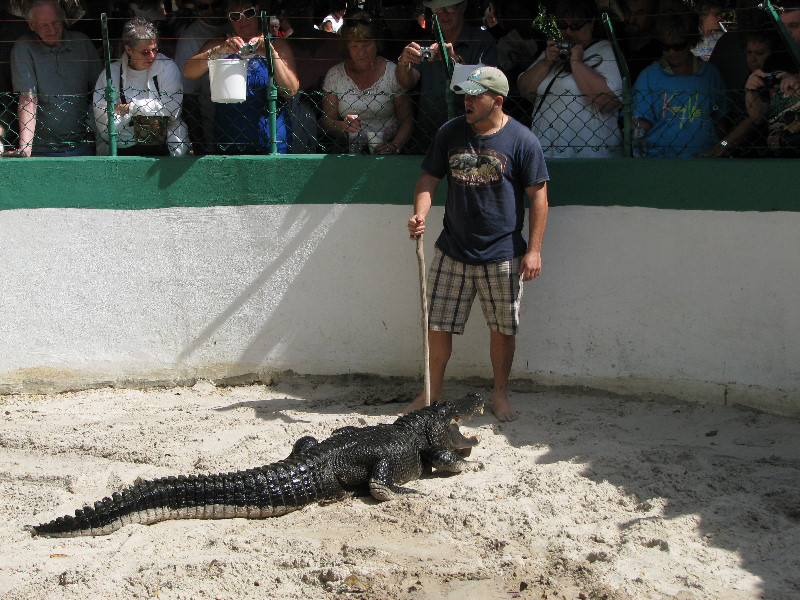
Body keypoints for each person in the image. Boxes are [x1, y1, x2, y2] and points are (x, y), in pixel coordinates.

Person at [404, 66, 549, 422]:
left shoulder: (523, 141)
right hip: (452, 249)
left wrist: (534, 250)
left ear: (496, 101)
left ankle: (500, 395)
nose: (466, 101)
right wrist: (420, 214)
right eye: (465, 95)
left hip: (502, 254)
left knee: (502, 328)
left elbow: (539, 198)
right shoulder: (450, 132)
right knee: (437, 324)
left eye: (474, 96)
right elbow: (428, 178)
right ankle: (431, 393)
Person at [183, 0, 300, 154]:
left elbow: (290, 90)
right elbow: (189, 72)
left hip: (273, 141)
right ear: (228, 18)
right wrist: (219, 50)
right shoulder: (220, 43)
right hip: (229, 140)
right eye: (235, 16)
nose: (242, 20)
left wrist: (271, 55)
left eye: (248, 13)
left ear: (257, 11)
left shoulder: (277, 45)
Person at [517, 0, 623, 158]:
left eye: (575, 25)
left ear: (592, 23)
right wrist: (546, 63)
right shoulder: (554, 52)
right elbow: (524, 89)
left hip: (590, 154)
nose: (568, 31)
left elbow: (609, 100)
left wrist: (577, 63)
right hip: (546, 152)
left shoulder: (605, 51)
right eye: (562, 25)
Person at [396, 0, 498, 154]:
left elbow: (489, 88)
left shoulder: (483, 41)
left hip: (472, 140)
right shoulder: (425, 42)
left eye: (449, 7)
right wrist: (404, 62)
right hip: (429, 141)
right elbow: (406, 83)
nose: (443, 14)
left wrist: (453, 59)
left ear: (463, 6)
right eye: (438, 8)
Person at [631, 1, 727, 157]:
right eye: (665, 46)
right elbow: (639, 125)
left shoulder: (710, 75)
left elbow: (720, 120)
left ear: (690, 41)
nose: (672, 52)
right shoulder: (649, 76)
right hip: (661, 163)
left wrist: (719, 148)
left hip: (704, 161)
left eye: (678, 46)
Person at [6, 0, 101, 157]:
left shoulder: (82, 43)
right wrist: (25, 149)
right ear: (31, 25)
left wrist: (92, 131)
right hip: (41, 150)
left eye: (55, 22)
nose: (52, 29)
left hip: (81, 145)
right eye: (44, 25)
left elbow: (102, 91)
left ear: (62, 19)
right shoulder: (23, 47)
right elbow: (28, 99)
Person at [93, 18, 189, 156]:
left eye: (155, 49)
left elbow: (172, 109)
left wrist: (130, 108)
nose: (152, 56)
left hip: (165, 146)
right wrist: (151, 109)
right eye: (145, 52)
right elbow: (105, 126)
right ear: (129, 49)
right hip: (124, 146)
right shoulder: (110, 75)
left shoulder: (167, 67)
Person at [320, 11, 413, 154]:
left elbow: (407, 120)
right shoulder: (335, 75)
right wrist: (343, 126)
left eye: (366, 45)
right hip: (348, 152)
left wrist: (394, 146)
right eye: (355, 46)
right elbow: (327, 120)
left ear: (377, 43)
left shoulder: (392, 73)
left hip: (388, 153)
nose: (361, 52)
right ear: (347, 47)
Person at [173, 0, 229, 154]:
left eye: (216, 4)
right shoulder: (190, 38)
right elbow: (187, 95)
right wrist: (199, 143)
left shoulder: (239, 24)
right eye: (204, 7)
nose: (211, 10)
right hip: (211, 120)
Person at [619, 0, 662, 83]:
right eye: (628, 11)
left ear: (652, 16)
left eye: (639, 13)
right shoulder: (614, 35)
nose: (631, 19)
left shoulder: (660, 50)